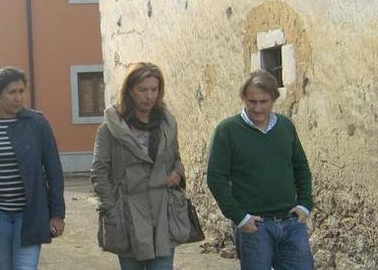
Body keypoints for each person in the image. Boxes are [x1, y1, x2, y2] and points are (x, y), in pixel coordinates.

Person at [207, 70, 314, 270]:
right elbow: (216, 178)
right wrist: (240, 218)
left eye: (263, 102)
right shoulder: (227, 131)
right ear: (244, 99)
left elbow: (301, 167)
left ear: (274, 99)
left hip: (291, 222)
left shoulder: (285, 126)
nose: (257, 108)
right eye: (251, 102)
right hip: (255, 226)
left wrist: (305, 204)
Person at [0, 66, 65, 270]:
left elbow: (54, 170)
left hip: (30, 214)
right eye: (12, 92)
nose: (18, 97)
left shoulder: (37, 123)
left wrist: (57, 214)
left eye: (21, 91)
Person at [91, 62, 187, 270]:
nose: (149, 96)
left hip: (162, 213)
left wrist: (177, 174)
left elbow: (176, 159)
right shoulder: (110, 129)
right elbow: (99, 174)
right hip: (128, 216)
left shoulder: (167, 124)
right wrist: (112, 210)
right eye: (142, 90)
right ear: (130, 91)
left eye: (154, 90)